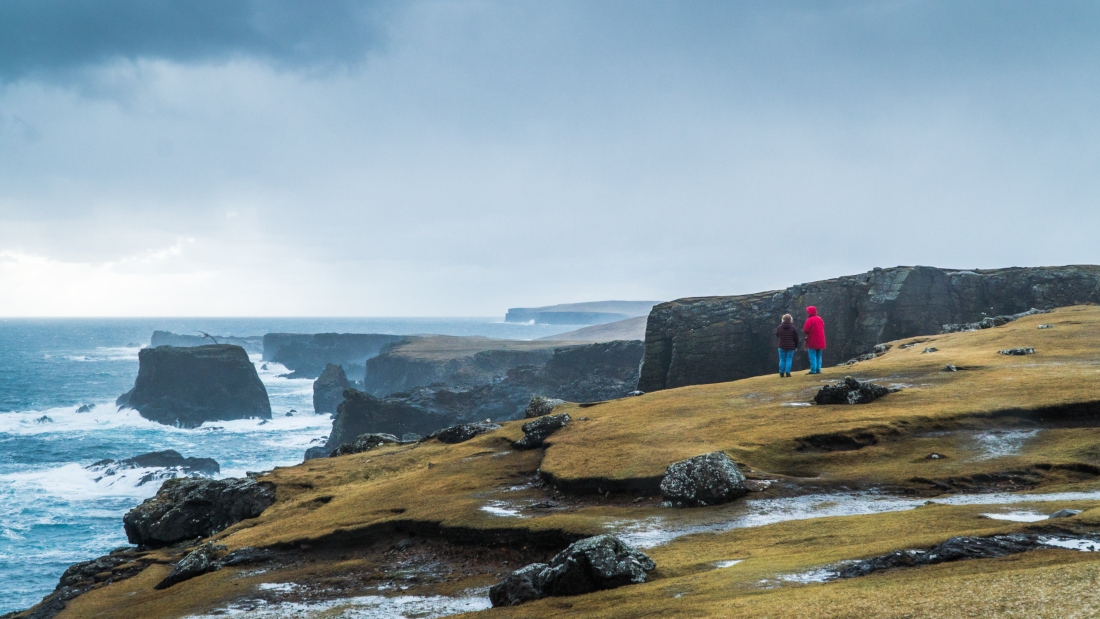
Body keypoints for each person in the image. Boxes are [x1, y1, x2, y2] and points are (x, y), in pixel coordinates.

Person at [803, 305, 826, 374]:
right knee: (819, 355)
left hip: (812, 340)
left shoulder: (809, 320)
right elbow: (823, 326)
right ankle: (818, 369)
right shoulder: (820, 319)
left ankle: (813, 370)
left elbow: (806, 330)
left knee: (812, 355)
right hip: (820, 340)